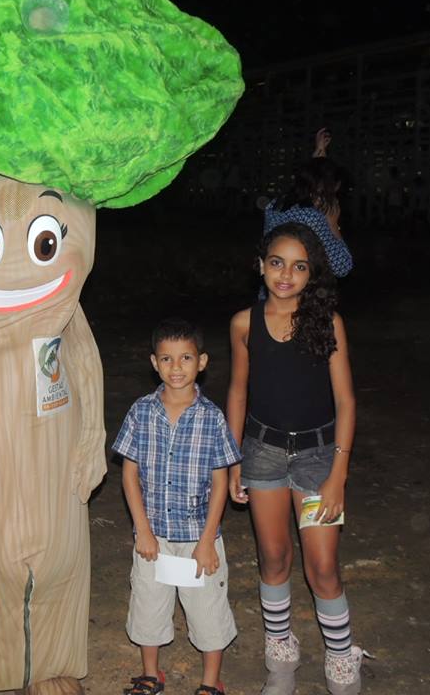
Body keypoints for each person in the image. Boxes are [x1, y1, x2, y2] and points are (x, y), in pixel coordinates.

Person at [226, 223, 362, 695]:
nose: (286, 274)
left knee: (322, 566)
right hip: (261, 453)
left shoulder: (327, 323)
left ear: (312, 273)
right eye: (277, 262)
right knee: (274, 556)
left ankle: (342, 656)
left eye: (299, 265)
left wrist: (338, 474)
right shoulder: (244, 323)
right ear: (260, 265)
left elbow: (345, 401)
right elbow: (239, 390)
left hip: (318, 457)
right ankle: (281, 651)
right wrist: (232, 459)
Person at [114, 318, 241, 695]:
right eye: (167, 359)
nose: (176, 368)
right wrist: (142, 530)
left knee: (207, 610)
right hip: (153, 537)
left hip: (198, 538)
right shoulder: (141, 411)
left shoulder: (212, 417)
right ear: (155, 363)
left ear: (201, 361)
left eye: (185, 358)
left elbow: (220, 482)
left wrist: (206, 541)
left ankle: (209, 681)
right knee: (148, 606)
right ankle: (151, 674)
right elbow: (128, 475)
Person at [264, 157, 353, 278]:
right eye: (333, 191)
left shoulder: (274, 205)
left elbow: (312, 175)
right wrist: (333, 225)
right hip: (300, 292)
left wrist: (319, 152)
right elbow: (342, 267)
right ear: (322, 188)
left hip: (273, 288)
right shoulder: (311, 217)